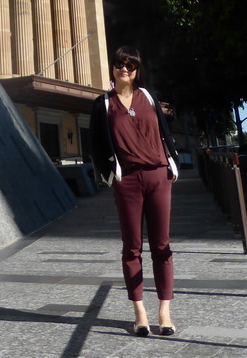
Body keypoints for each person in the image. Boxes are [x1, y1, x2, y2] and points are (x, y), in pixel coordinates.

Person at [89, 46, 178, 337]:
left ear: (137, 70)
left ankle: (164, 310)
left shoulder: (148, 97)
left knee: (162, 246)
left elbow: (164, 130)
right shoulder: (103, 103)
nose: (123, 69)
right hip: (127, 181)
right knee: (132, 248)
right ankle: (139, 312)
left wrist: (172, 161)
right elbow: (96, 145)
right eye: (118, 64)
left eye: (129, 65)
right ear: (112, 69)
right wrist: (109, 174)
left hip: (157, 175)